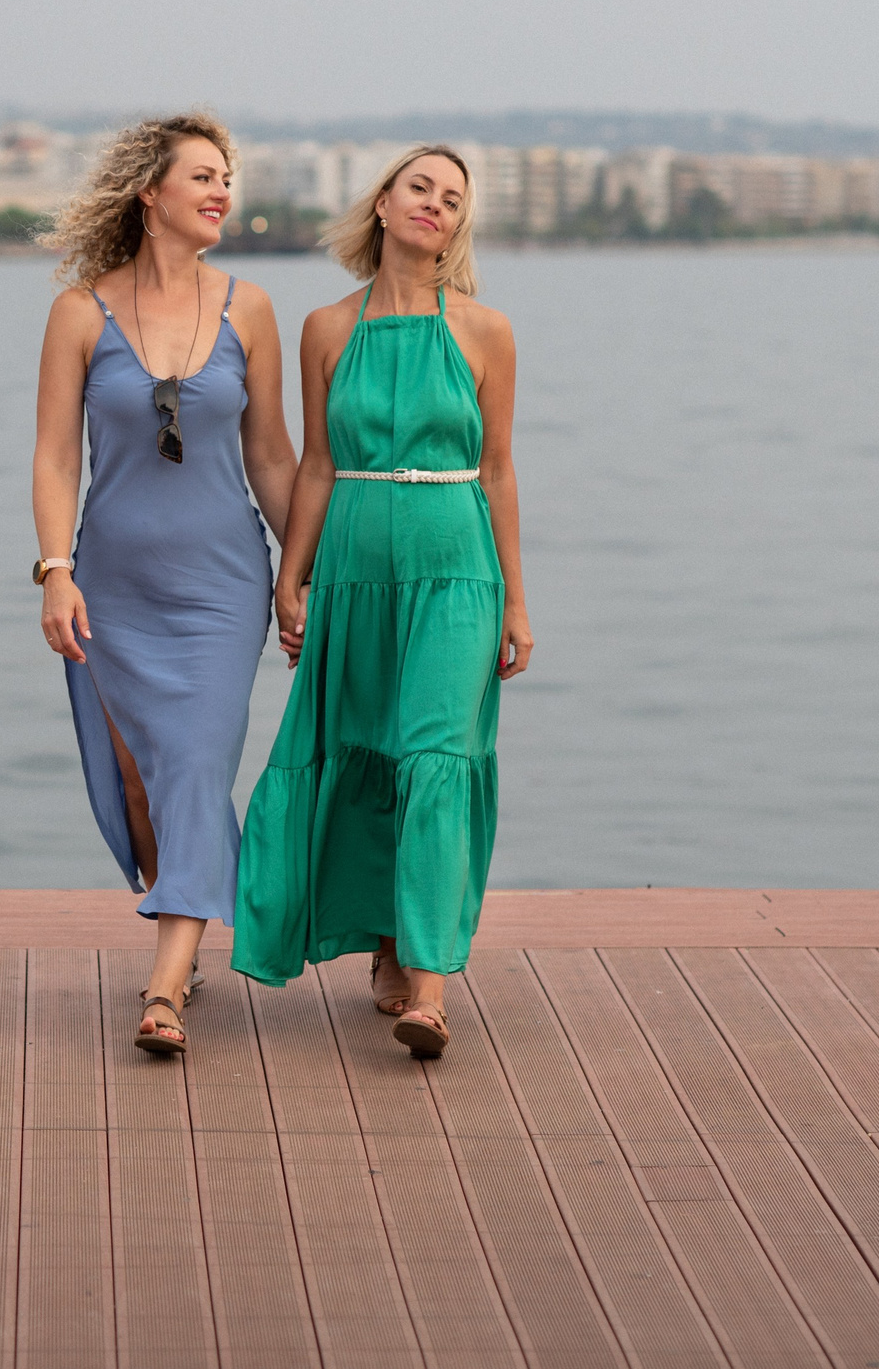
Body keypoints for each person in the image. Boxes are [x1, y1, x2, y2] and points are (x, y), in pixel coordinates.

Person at [231, 144, 532, 1058]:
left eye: (452, 197)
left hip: (455, 567)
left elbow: (500, 470)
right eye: (420, 188)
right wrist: (294, 573)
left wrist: (517, 600)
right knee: (364, 752)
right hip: (356, 565)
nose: (434, 205)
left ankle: (430, 986)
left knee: (436, 755)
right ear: (384, 202)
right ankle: (391, 942)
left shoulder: (487, 330)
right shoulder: (326, 327)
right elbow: (317, 462)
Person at [31, 114, 297, 1057]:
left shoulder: (250, 309)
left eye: (228, 178)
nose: (223, 191)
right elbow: (57, 456)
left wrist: (299, 568)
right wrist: (54, 571)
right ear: (152, 193)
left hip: (224, 586)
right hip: (112, 582)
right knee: (142, 784)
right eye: (204, 177)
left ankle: (166, 986)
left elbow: (272, 460)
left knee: (194, 762)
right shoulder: (79, 312)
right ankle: (183, 906)